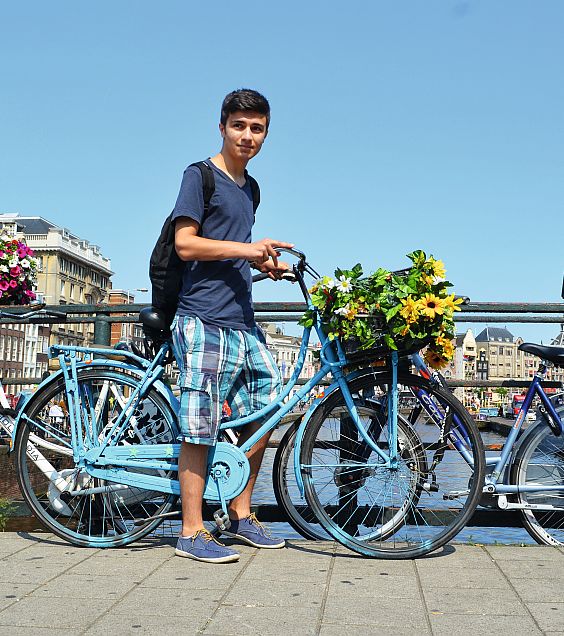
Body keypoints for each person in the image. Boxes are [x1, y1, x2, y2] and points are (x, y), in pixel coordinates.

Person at [170, 89, 293, 563]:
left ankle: (241, 516)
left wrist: (265, 267)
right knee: (200, 427)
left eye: (256, 128)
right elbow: (187, 245)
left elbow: (231, 252)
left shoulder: (251, 188)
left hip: (243, 321)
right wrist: (248, 249)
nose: (247, 136)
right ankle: (191, 531)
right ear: (221, 126)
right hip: (202, 318)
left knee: (267, 411)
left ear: (266, 133)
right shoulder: (199, 176)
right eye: (239, 126)